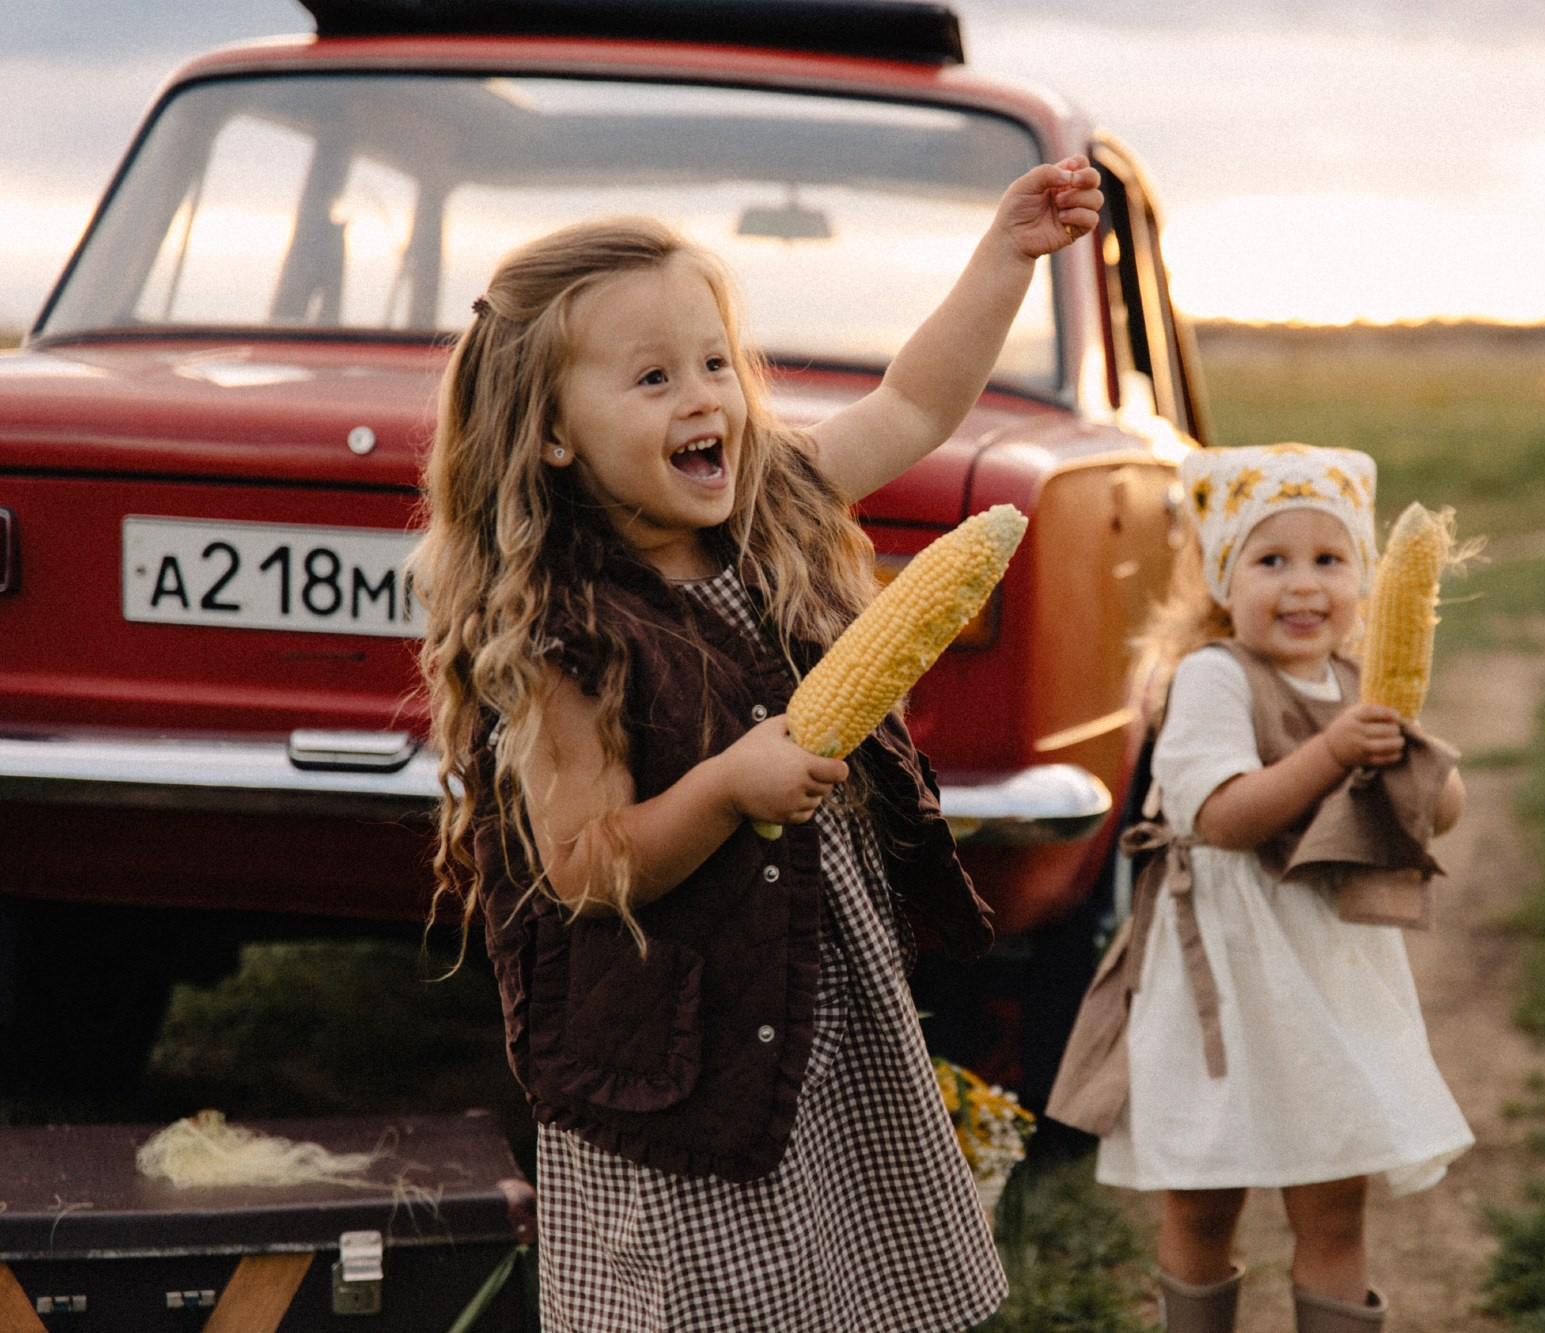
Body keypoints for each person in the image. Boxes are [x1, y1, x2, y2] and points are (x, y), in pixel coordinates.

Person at [412, 156, 1102, 1331]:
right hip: (674, 1060)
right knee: (708, 1301)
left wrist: (1005, 256)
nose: (706, 399)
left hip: (813, 1004)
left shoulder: (769, 504)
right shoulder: (561, 634)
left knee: (837, 1274)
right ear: (553, 438)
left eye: (716, 363)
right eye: (651, 377)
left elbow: (916, 406)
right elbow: (582, 862)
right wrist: (730, 786)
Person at [1047, 443, 1475, 1333]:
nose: (1303, 585)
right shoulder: (1213, 676)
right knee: (1206, 1199)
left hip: (1328, 975)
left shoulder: (1360, 685)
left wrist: (1414, 748)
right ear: (1220, 579)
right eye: (1270, 560)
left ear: (1363, 580)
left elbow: (1440, 811)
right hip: (1228, 975)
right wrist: (1334, 751)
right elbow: (1225, 817)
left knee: (1333, 1201)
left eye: (1330, 560)